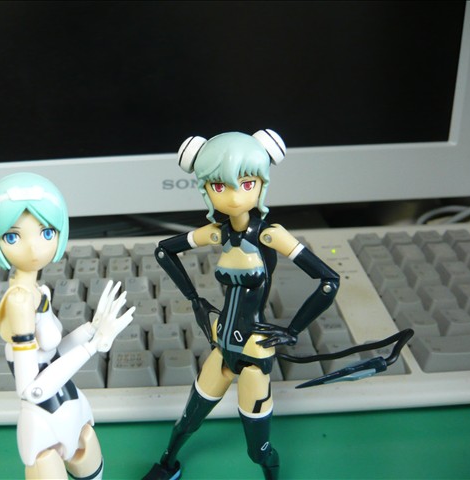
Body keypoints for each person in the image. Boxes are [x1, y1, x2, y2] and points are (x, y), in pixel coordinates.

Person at [144, 130, 340, 480]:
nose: (234, 197)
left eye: (246, 184)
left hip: (253, 352)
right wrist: (195, 300)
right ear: (205, 188)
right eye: (220, 186)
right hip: (221, 343)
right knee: (187, 421)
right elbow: (164, 251)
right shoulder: (217, 232)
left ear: (261, 183)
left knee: (258, 450)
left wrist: (293, 330)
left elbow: (329, 281)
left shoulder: (270, 235)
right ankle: (167, 465)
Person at [0, 172, 134, 480]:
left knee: (90, 459)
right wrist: (91, 348)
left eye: (46, 232)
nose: (33, 249)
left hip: (71, 405)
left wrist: (91, 330)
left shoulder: (38, 292)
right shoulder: (19, 302)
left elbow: (52, 354)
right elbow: (32, 389)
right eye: (13, 237)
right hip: (43, 421)